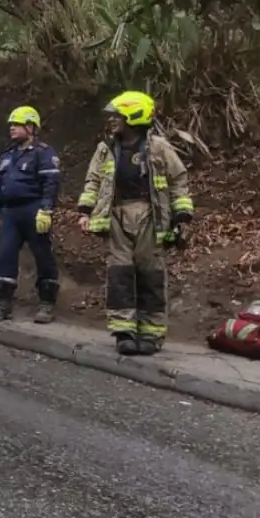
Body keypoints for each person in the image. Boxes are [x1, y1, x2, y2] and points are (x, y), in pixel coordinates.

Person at [75, 91, 193, 356]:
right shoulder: (106, 148)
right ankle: (124, 331)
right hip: (115, 216)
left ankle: (151, 334)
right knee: (120, 274)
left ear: (133, 116)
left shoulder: (159, 147)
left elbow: (179, 181)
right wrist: (85, 212)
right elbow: (93, 181)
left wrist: (182, 216)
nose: (113, 120)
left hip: (150, 217)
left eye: (118, 115)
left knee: (150, 274)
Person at [0, 106, 61, 323]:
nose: (12, 128)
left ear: (30, 127)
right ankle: (2, 304)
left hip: (33, 209)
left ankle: (46, 304)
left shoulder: (43, 153)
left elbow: (51, 183)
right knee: (5, 256)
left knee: (42, 255)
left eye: (16, 124)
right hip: (10, 213)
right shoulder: (9, 155)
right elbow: (0, 185)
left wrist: (46, 210)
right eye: (11, 125)